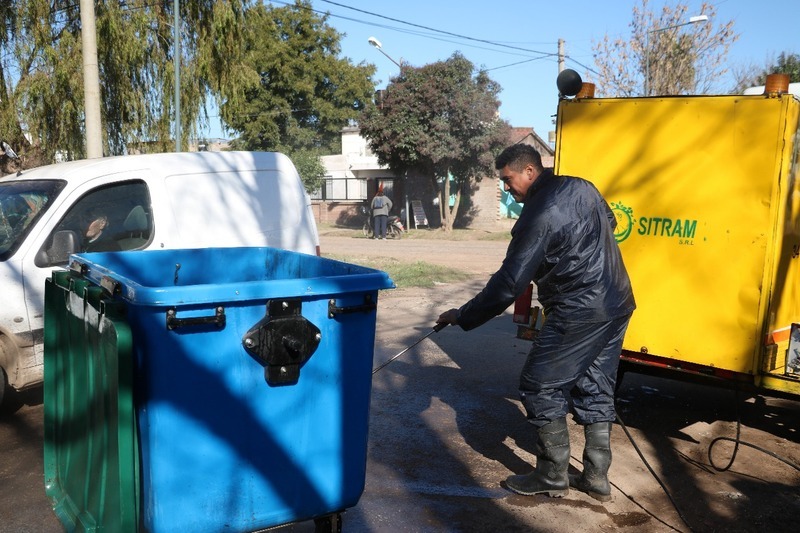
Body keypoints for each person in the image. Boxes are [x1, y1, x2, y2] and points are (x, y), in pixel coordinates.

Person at [436, 144, 635, 501]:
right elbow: (611, 221)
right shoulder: (582, 186)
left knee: (538, 384)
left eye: (508, 180)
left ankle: (552, 473)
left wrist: (462, 315)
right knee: (595, 384)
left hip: (580, 307)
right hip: (617, 300)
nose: (506, 189)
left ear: (529, 171)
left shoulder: (537, 214)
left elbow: (508, 285)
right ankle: (595, 477)